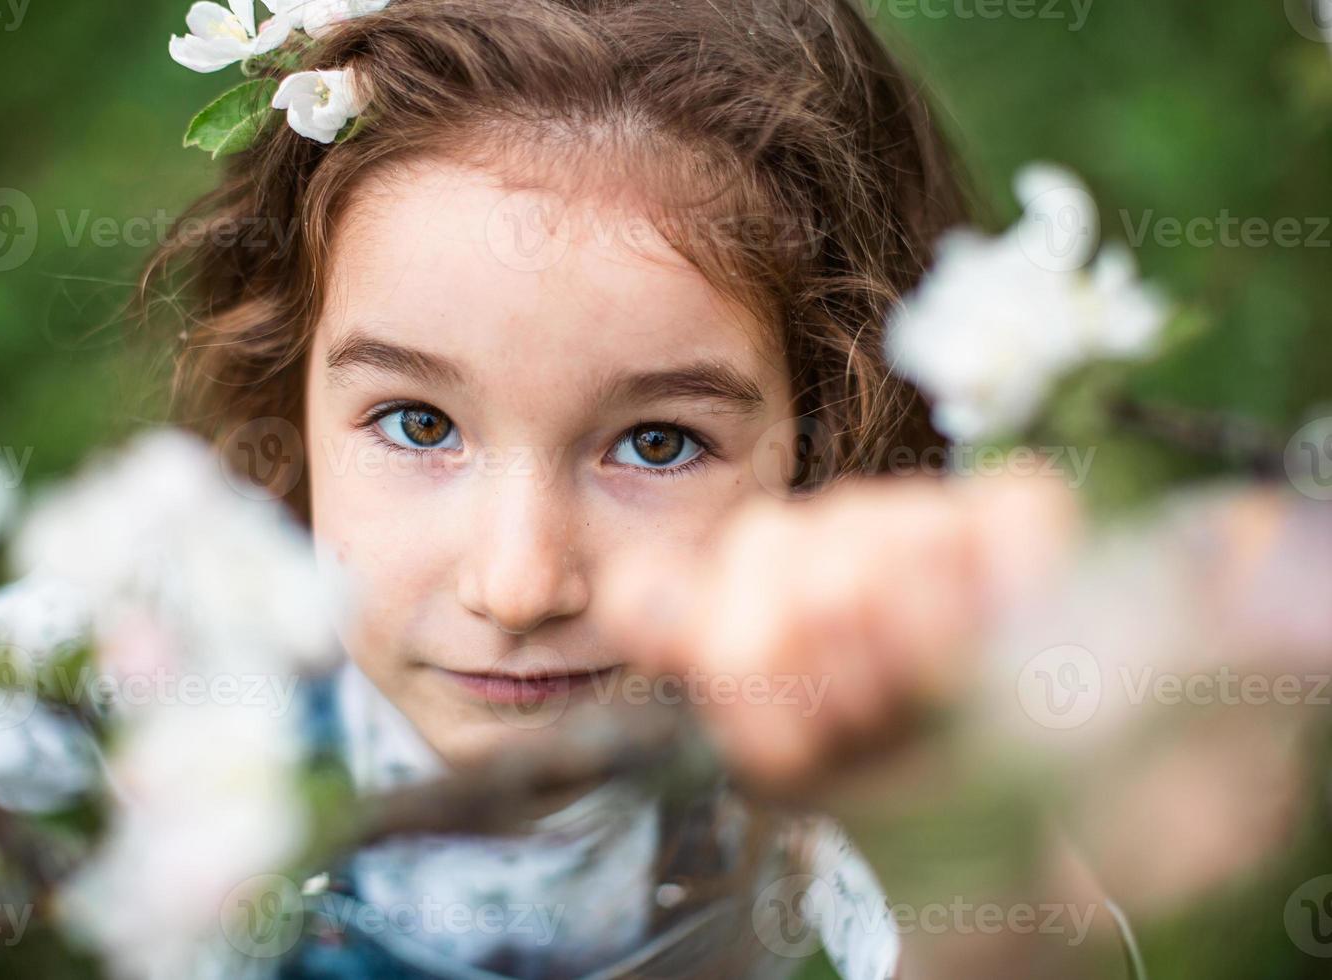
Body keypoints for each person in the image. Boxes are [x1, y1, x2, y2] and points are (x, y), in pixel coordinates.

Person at [149, 2, 1097, 976]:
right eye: (418, 423)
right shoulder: (131, 725)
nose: (516, 586)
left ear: (835, 434)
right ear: (287, 380)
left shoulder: (863, 784)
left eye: (656, 442)